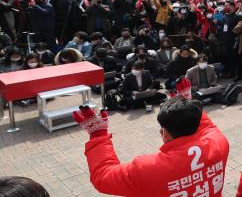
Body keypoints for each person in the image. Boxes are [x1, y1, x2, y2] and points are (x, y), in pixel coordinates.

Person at [73, 80, 230, 196]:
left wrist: (98, 135)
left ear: (164, 133)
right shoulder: (218, 144)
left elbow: (103, 177)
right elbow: (207, 127)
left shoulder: (147, 169)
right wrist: (186, 104)